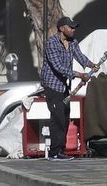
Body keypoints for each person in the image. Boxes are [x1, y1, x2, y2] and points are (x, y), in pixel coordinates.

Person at [40, 16, 98, 160]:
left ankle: (61, 150)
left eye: (73, 27)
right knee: (57, 118)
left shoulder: (72, 42)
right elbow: (58, 67)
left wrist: (92, 65)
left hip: (64, 85)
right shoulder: (52, 43)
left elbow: (80, 57)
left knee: (65, 117)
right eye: (70, 27)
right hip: (52, 85)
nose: (73, 30)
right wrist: (80, 75)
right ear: (61, 28)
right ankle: (54, 152)